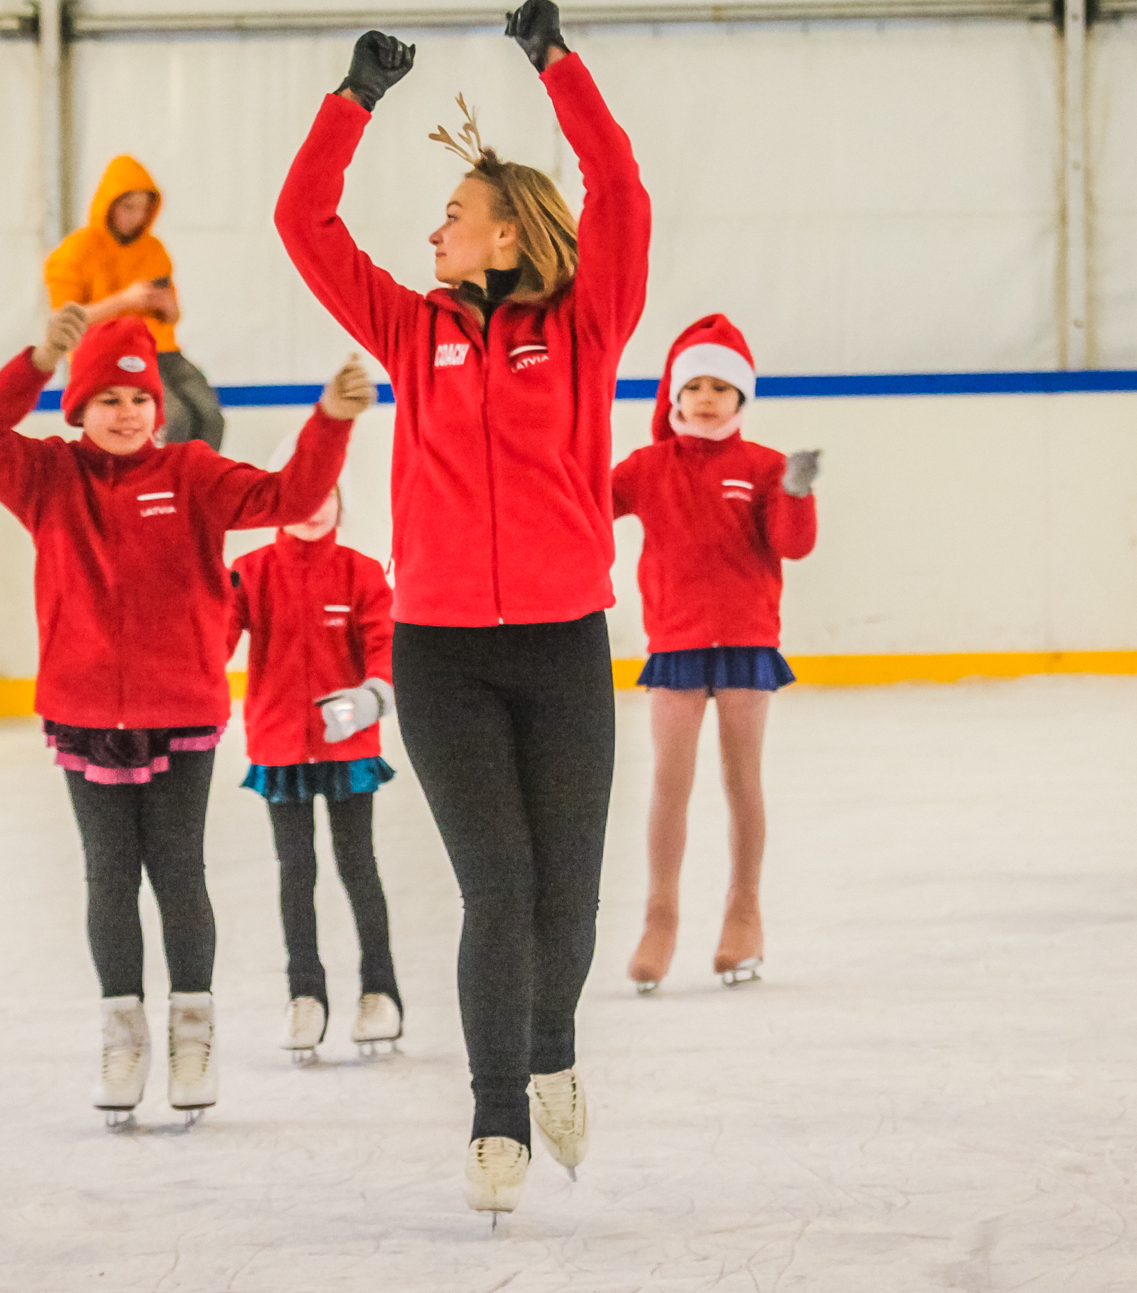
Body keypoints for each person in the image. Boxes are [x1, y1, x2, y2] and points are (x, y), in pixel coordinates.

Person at [274, 0, 650, 1218]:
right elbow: (303, 222)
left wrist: (555, 63)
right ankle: (498, 1115)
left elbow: (621, 189)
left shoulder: (585, 326)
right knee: (499, 888)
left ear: (503, 235)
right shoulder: (408, 327)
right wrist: (351, 102)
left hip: (559, 645)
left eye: (451, 215)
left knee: (567, 893)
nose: (433, 228)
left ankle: (552, 1055)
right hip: (439, 653)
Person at [0, 302, 369, 1126]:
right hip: (82, 710)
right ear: (78, 408)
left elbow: (292, 495)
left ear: (159, 408)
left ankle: (190, 1031)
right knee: (109, 875)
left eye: (138, 400)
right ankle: (121, 1032)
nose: (125, 414)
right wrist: (35, 361)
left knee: (178, 871)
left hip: (181, 707)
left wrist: (328, 422)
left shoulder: (193, 473)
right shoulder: (48, 477)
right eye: (107, 399)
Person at [610, 315, 818, 994]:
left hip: (746, 642)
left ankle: (744, 911)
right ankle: (659, 917)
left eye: (720, 387)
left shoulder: (761, 466)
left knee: (740, 781)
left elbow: (790, 545)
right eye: (692, 384)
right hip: (674, 642)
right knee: (670, 783)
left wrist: (793, 491)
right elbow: (585, 509)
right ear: (672, 392)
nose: (704, 397)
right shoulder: (645, 467)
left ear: (741, 398)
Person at [226, 456, 405, 1064]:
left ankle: (381, 991)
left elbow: (385, 652)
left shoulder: (360, 575)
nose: (312, 507)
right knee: (294, 873)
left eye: (324, 493)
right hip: (279, 748)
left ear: (339, 499)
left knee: (359, 867)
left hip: (347, 746)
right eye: (299, 496)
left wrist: (370, 696)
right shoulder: (249, 574)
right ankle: (305, 994)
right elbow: (212, 637)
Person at [45, 156, 227, 451]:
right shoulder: (74, 252)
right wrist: (124, 301)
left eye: (144, 209)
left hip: (160, 349)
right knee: (173, 418)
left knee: (210, 416)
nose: (137, 217)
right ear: (108, 205)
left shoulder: (154, 249)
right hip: (107, 353)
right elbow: (64, 319)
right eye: (129, 207)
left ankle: (199, 490)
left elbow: (172, 316)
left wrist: (166, 306)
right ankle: (164, 488)